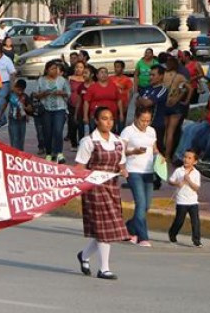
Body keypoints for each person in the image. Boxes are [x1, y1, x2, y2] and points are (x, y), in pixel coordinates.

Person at [74, 106, 129, 280]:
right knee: (104, 228)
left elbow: (120, 163)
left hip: (112, 188)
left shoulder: (118, 141)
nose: (109, 122)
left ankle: (84, 255)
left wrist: (123, 171)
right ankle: (104, 268)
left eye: (111, 118)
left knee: (107, 228)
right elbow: (80, 168)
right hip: (94, 190)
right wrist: (77, 188)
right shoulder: (88, 141)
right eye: (104, 118)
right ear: (96, 121)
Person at [120, 108, 158, 246]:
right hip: (133, 170)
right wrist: (133, 151)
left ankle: (129, 227)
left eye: (148, 121)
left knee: (146, 205)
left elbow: (154, 149)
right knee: (140, 203)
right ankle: (143, 237)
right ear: (136, 118)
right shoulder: (128, 131)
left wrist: (159, 158)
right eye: (142, 120)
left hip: (148, 171)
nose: (145, 123)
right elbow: (121, 150)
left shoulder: (151, 131)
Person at [34, 62, 71, 163]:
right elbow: (35, 95)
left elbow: (68, 93)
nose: (54, 71)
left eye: (56, 69)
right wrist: (43, 94)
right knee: (47, 132)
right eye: (52, 69)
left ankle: (59, 153)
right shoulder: (41, 80)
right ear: (46, 70)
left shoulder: (62, 80)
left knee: (58, 131)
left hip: (60, 108)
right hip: (46, 109)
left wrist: (61, 92)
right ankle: (49, 153)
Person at [167, 149, 203, 247]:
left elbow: (196, 187)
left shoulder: (196, 173)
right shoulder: (179, 171)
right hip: (181, 201)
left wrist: (189, 181)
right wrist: (177, 183)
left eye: (189, 158)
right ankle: (172, 233)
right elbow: (170, 181)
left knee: (195, 221)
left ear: (194, 161)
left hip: (193, 201)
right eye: (185, 157)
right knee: (179, 220)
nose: (186, 160)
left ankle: (196, 240)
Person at [83, 68, 121, 134]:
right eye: (101, 72)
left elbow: (119, 100)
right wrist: (85, 116)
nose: (104, 74)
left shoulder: (113, 86)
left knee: (110, 135)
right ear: (97, 75)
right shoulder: (92, 87)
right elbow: (86, 102)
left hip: (111, 116)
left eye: (105, 72)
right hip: (95, 116)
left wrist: (121, 114)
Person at [0, 45, 16, 125]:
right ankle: (2, 119)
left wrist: (12, 85)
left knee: (0, 102)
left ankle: (0, 120)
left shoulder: (6, 60)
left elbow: (13, 73)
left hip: (4, 84)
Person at [7, 79, 32, 151]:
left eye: (21, 90)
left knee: (21, 138)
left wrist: (25, 108)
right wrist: (0, 114)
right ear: (15, 87)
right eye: (17, 89)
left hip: (22, 120)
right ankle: (14, 153)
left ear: (24, 90)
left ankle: (20, 153)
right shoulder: (10, 95)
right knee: (14, 137)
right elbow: (4, 104)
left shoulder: (25, 96)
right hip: (12, 119)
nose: (19, 92)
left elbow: (30, 108)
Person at [110, 61, 134, 133]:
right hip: (112, 105)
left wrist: (127, 104)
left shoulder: (127, 80)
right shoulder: (110, 78)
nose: (116, 69)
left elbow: (130, 93)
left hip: (123, 105)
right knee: (111, 125)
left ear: (123, 68)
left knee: (121, 125)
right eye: (115, 67)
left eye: (118, 67)